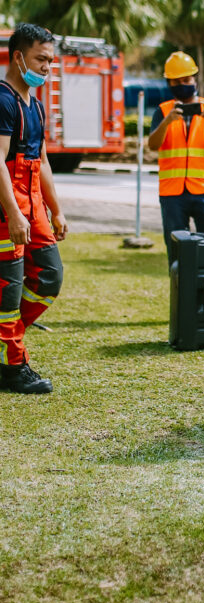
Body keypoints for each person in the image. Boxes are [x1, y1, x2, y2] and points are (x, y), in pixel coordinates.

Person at [0, 23, 66, 394]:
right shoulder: (3, 99)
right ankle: (13, 367)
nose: (46, 67)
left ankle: (6, 341)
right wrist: (12, 213)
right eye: (41, 59)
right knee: (8, 294)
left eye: (50, 61)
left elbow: (41, 162)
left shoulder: (36, 106)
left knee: (50, 277)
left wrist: (57, 211)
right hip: (8, 208)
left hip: (34, 208)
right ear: (18, 56)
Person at [147, 51, 204, 266]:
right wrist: (166, 122)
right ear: (169, 83)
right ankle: (181, 294)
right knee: (176, 250)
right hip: (172, 193)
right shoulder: (163, 111)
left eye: (186, 80)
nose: (182, 85)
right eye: (176, 81)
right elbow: (153, 145)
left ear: (194, 79)